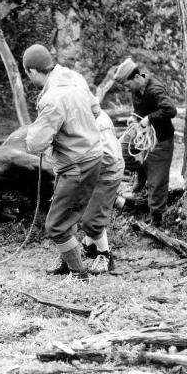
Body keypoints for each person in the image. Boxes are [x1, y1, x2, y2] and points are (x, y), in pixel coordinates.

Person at [23, 43, 106, 281]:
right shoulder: (74, 78)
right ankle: (66, 261)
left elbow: (35, 144)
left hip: (76, 165)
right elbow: (96, 110)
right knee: (68, 215)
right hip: (90, 157)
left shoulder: (52, 98)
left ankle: (79, 275)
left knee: (56, 225)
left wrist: (36, 133)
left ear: (31, 71)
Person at [114, 58, 177, 227]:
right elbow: (139, 109)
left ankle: (157, 219)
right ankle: (144, 173)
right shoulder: (137, 87)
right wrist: (134, 117)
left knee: (157, 183)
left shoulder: (154, 89)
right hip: (142, 136)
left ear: (135, 78)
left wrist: (149, 119)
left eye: (127, 86)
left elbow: (170, 109)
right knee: (122, 153)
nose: (127, 89)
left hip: (160, 140)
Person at [79, 66, 125, 274]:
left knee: (92, 219)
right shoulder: (85, 119)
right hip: (94, 172)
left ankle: (105, 255)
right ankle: (89, 246)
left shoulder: (100, 123)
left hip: (107, 173)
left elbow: (108, 158)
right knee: (86, 213)